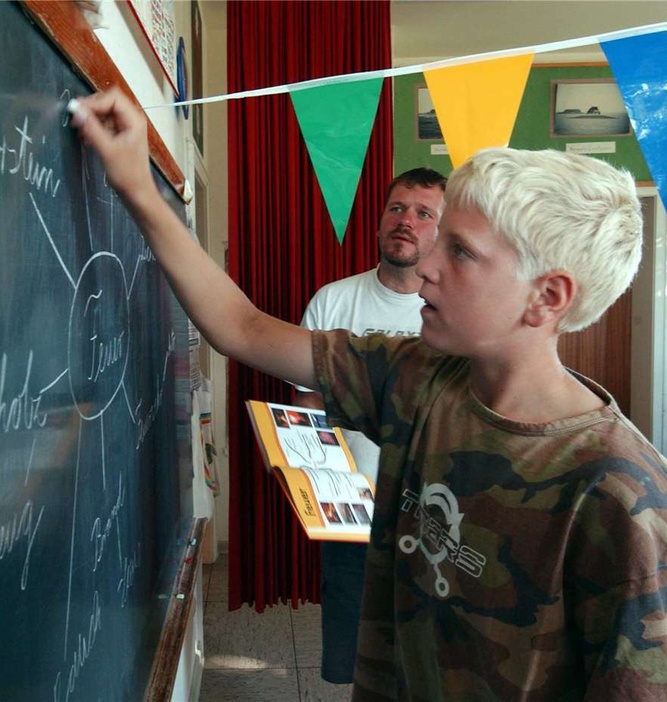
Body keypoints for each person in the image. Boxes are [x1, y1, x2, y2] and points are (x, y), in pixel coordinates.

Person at [69, 88, 667, 700]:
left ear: (547, 297)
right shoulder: (418, 377)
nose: (428, 266)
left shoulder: (620, 496)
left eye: (459, 251)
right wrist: (139, 187)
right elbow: (242, 328)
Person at [293, 166, 446, 684]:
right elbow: (309, 411)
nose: (407, 221)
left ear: (441, 233)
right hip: (351, 514)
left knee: (429, 660)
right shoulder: (333, 302)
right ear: (380, 220)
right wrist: (313, 486)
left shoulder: (452, 313)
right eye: (397, 208)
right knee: (356, 660)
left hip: (436, 520)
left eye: (424, 213)